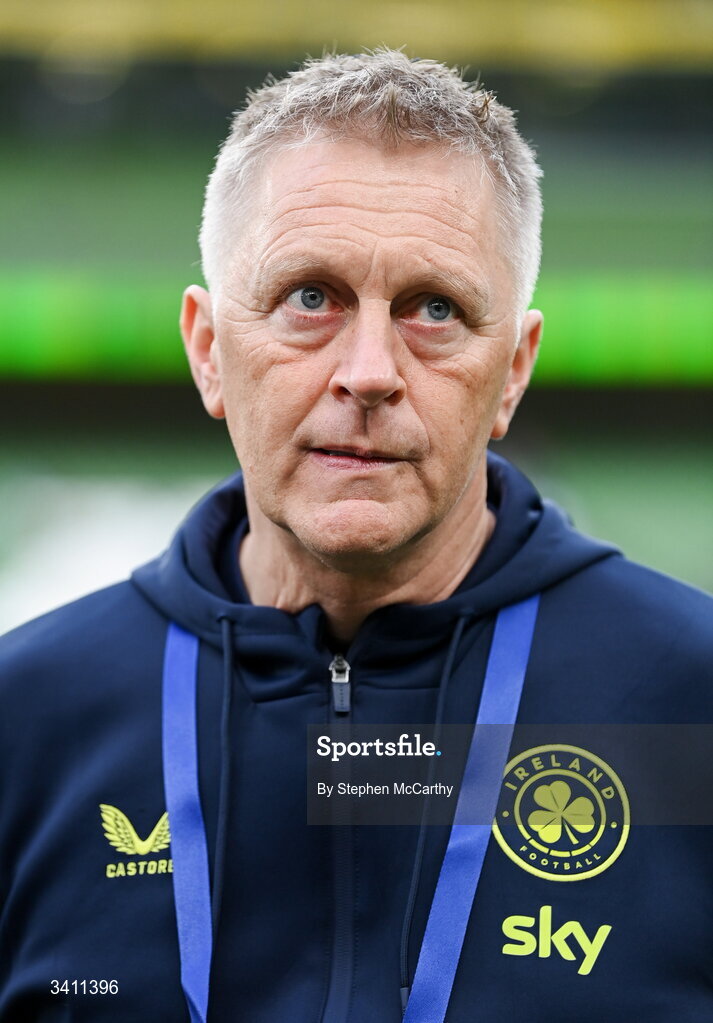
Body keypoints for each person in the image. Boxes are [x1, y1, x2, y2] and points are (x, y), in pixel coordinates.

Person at [0, 49, 710, 1023]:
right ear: (208, 351)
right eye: (309, 298)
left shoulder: (690, 702)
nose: (368, 370)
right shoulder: (25, 720)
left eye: (432, 309)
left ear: (511, 371)